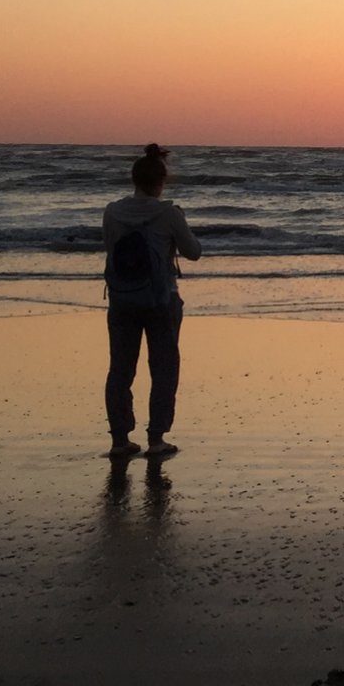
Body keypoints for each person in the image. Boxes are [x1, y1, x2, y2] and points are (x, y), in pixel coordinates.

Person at [103, 143, 202, 458]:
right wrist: (178, 224)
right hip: (161, 299)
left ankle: (120, 439)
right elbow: (193, 252)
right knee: (163, 368)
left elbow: (111, 250)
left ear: (134, 180)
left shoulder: (112, 211)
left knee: (120, 369)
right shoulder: (168, 213)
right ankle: (156, 438)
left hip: (122, 298)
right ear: (161, 182)